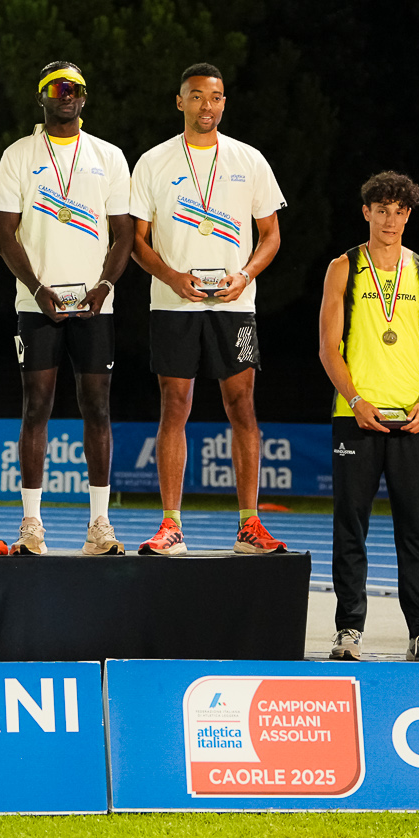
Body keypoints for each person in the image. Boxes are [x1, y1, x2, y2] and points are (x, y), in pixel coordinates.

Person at [128, 64, 289, 557]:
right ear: (180, 102)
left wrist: (246, 275)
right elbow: (136, 241)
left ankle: (249, 524)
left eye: (215, 97)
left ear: (224, 103)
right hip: (174, 304)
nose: (207, 106)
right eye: (197, 96)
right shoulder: (153, 161)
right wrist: (171, 276)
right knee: (174, 406)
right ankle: (171, 524)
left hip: (235, 305)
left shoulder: (249, 159)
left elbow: (271, 236)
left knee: (242, 405)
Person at [0, 62, 134, 555]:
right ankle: (32, 524)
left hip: (96, 305)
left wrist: (105, 285)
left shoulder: (108, 156)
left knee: (97, 407)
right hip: (36, 305)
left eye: (74, 88)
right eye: (56, 87)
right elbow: (4, 232)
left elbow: (124, 233)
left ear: (84, 97)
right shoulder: (18, 154)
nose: (66, 94)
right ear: (42, 97)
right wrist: (35, 288)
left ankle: (99, 524)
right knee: (36, 406)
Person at [316, 172, 419, 661]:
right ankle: (349, 630)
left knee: (415, 530)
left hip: (413, 419)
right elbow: (328, 347)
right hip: (357, 416)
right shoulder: (343, 267)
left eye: (399, 211)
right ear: (366, 212)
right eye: (381, 210)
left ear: (408, 215)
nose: (390, 220)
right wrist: (355, 400)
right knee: (351, 528)